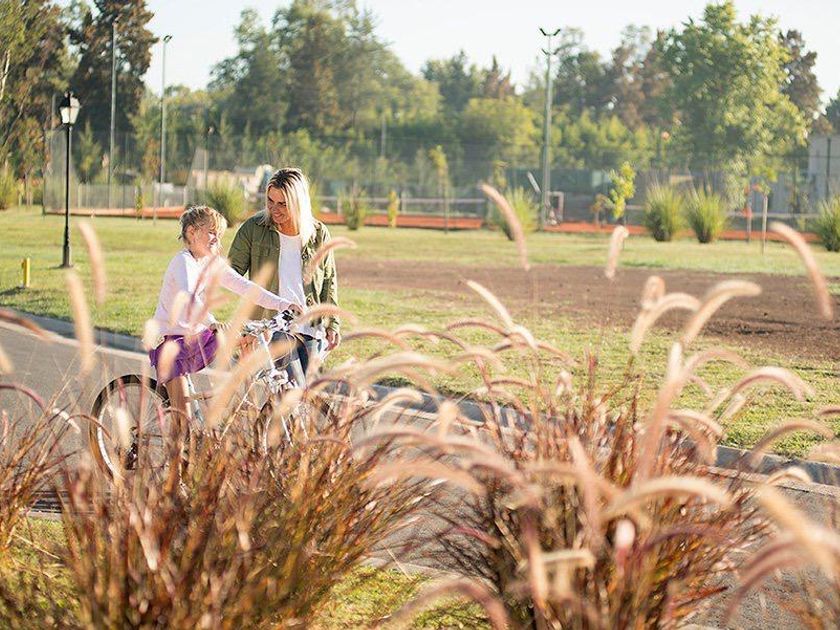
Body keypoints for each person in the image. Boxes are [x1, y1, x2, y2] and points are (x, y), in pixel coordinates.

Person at [149, 205, 299, 421]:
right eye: (212, 233)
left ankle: (243, 397)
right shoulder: (182, 262)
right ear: (192, 232)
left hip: (199, 336)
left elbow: (245, 286)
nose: (216, 240)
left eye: (219, 235)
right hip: (176, 343)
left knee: (252, 337)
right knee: (182, 425)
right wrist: (212, 322)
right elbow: (188, 298)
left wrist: (283, 305)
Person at [228, 167, 340, 386]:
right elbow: (230, 273)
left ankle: (267, 411)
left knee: (305, 395)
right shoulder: (254, 228)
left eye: (283, 204)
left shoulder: (318, 233)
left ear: (298, 203)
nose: (274, 209)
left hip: (312, 328)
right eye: (270, 201)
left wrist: (333, 324)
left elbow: (329, 281)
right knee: (291, 389)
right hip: (274, 325)